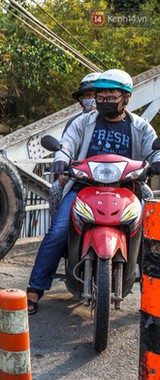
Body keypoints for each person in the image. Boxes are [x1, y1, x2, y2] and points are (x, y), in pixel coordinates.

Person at [27, 69, 160, 315]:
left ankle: (154, 297)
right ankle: (35, 289)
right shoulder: (83, 122)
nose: (104, 102)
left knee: (152, 238)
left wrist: (157, 160)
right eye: (101, 97)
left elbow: (153, 150)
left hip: (127, 188)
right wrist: (60, 159)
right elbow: (66, 145)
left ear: (126, 99)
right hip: (84, 187)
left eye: (111, 97)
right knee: (57, 232)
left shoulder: (140, 126)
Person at [49, 72, 101, 219]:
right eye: (87, 96)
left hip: (112, 177)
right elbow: (65, 148)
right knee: (55, 191)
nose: (91, 99)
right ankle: (56, 230)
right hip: (79, 177)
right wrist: (62, 170)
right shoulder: (75, 123)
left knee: (146, 195)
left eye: (94, 95)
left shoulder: (124, 121)